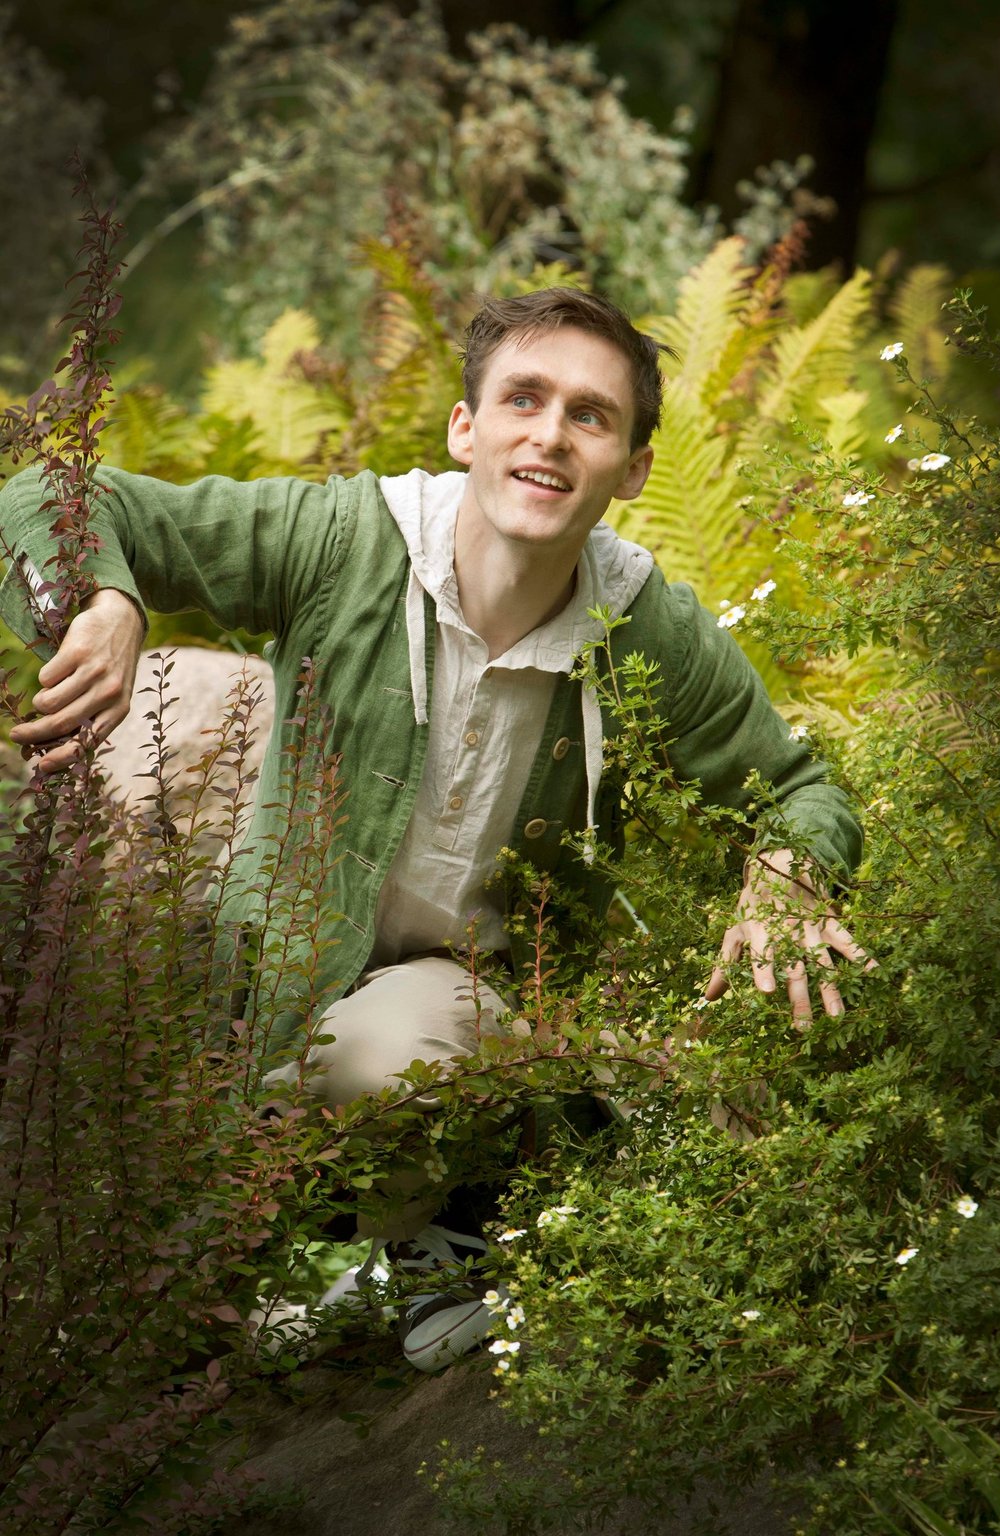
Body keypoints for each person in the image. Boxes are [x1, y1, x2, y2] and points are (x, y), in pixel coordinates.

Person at [0, 287, 866, 1370]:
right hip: (271, 986)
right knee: (138, 1294)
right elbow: (53, 494)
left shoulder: (644, 626)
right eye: (523, 399)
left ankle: (442, 1220)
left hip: (459, 1015)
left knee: (386, 1053)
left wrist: (789, 871)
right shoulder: (345, 541)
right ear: (467, 427)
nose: (550, 435)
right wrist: (108, 601)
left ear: (634, 469)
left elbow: (800, 789)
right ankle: (336, 1253)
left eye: (590, 416)